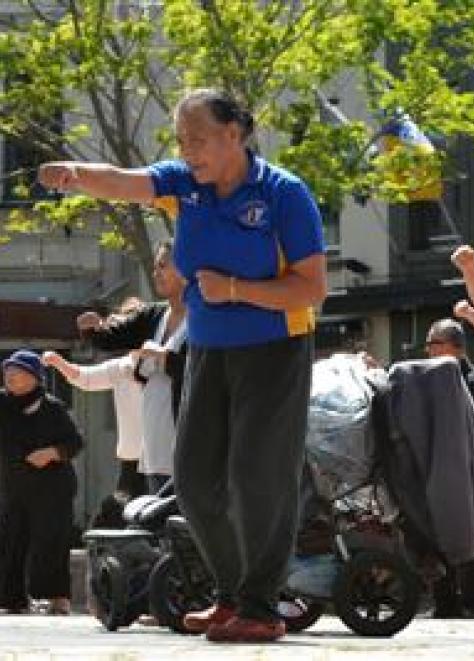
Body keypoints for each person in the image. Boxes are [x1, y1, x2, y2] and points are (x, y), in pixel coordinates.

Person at [37, 87, 327, 643]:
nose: (187, 149)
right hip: (209, 351)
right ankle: (231, 594)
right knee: (192, 480)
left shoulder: (285, 194)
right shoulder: (185, 186)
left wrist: (237, 288)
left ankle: (261, 607)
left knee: (256, 477)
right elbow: (125, 181)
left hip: (275, 348)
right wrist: (76, 172)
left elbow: (311, 290)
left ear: (235, 135)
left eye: (199, 138)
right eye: (181, 140)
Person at [75, 241, 186, 495]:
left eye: (162, 266)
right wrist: (92, 327)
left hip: (191, 439)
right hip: (155, 440)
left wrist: (167, 359)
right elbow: (112, 338)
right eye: (155, 266)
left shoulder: (207, 319)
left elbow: (207, 372)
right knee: (157, 520)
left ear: (187, 268)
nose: (155, 272)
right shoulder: (154, 315)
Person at [0, 350, 83, 615]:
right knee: (11, 541)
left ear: (35, 377)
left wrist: (51, 453)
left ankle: (56, 597)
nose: (10, 377)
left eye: (18, 372)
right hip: (14, 485)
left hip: (53, 487)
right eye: (7, 372)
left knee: (51, 540)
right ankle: (11, 599)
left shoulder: (53, 408)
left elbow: (75, 443)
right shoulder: (3, 405)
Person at [41, 297, 147, 503]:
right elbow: (86, 378)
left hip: (168, 457)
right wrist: (57, 360)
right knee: (128, 517)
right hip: (132, 457)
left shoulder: (168, 358)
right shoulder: (122, 366)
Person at [424, 318, 474, 618]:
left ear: (455, 347)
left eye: (434, 344)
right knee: (437, 535)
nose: (428, 351)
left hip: (470, 472)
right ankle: (446, 603)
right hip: (441, 469)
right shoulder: (434, 380)